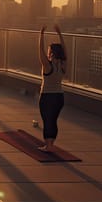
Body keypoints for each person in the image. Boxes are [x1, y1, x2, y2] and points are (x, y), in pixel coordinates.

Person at [37, 24, 66, 152]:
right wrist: (60, 34)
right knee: (53, 120)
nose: (47, 53)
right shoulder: (63, 64)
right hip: (59, 97)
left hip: (47, 96)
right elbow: (65, 51)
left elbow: (40, 50)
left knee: (47, 121)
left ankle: (48, 146)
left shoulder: (48, 66)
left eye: (49, 51)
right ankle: (51, 144)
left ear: (52, 53)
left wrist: (41, 34)